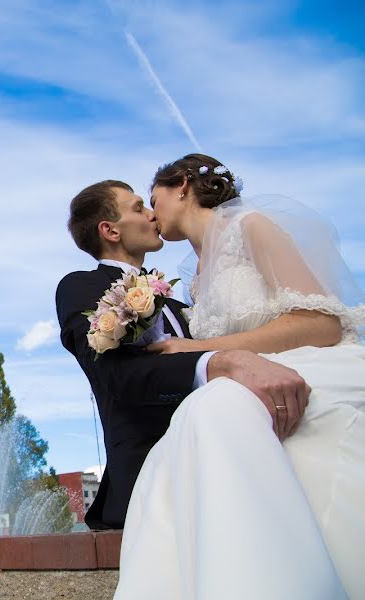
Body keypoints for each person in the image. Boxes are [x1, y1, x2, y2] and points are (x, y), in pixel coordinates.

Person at [114, 153, 365, 599]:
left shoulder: (252, 227)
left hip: (314, 363)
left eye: (154, 199)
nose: (151, 215)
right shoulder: (192, 280)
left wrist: (203, 348)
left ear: (184, 186)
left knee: (214, 410)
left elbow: (322, 324)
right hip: (243, 386)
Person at [56, 180, 312, 530]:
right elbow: (113, 375)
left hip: (239, 456)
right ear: (110, 230)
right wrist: (218, 361)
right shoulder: (79, 287)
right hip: (153, 476)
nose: (152, 214)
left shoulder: (181, 302)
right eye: (137, 208)